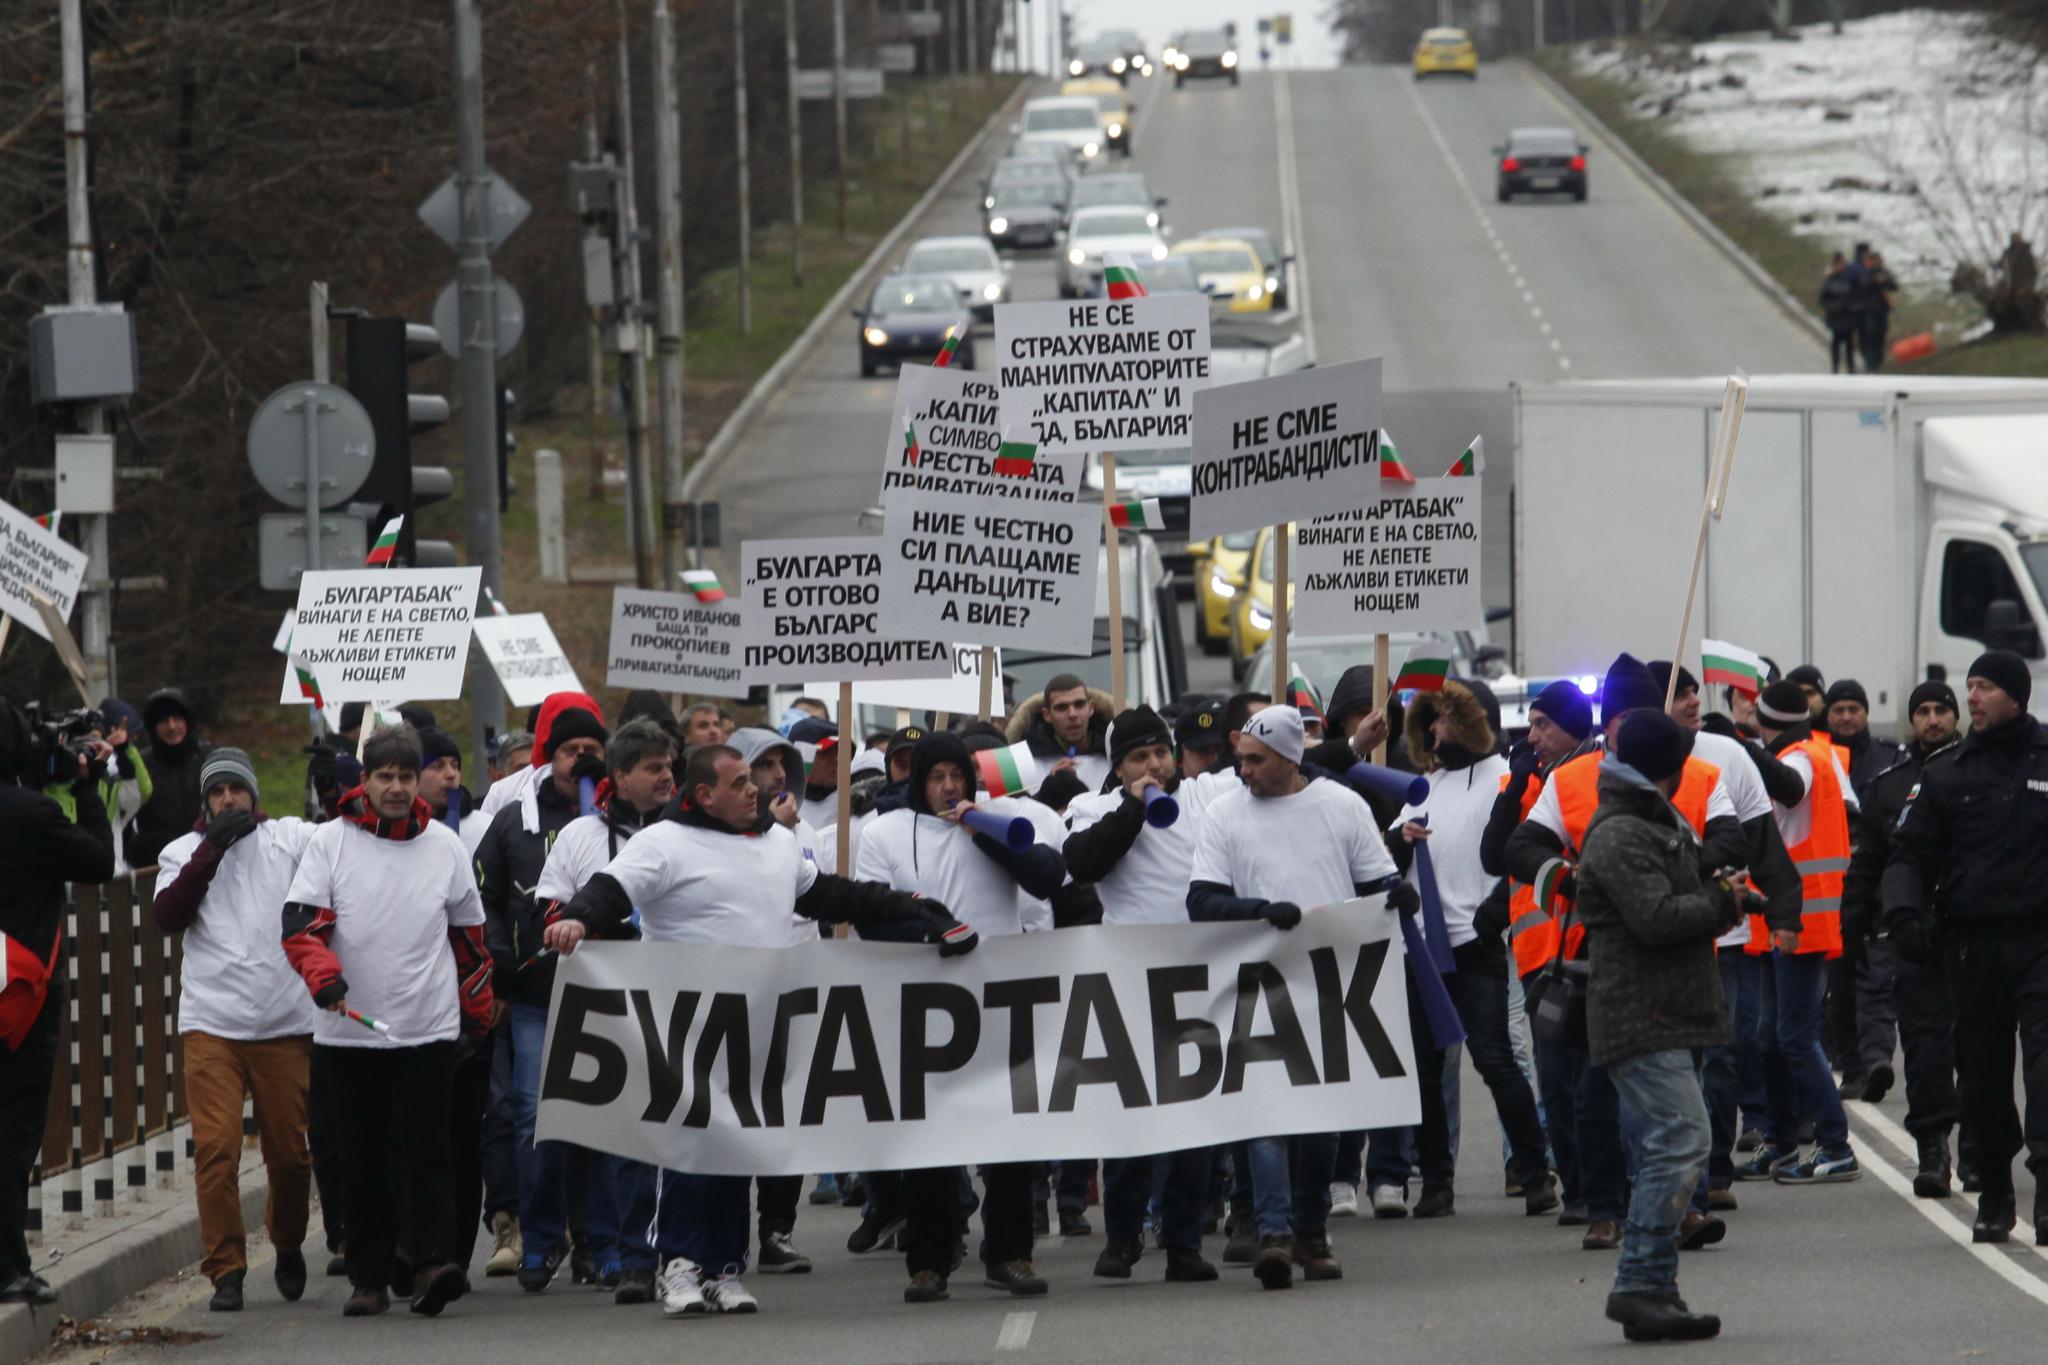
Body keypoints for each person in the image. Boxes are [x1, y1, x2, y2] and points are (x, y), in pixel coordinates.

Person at [548, 742, 978, 1315]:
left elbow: (833, 894)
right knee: (687, 1146)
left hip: (757, 1023)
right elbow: (611, 890)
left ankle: (725, 1269)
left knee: (737, 1147)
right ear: (704, 795)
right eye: (739, 783)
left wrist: (919, 912)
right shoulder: (665, 843)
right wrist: (578, 916)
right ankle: (677, 1265)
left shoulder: (778, 843)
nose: (755, 790)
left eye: (753, 780)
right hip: (683, 1026)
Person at [1504, 655, 1749, 1251]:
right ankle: (1604, 1207)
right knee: (1596, 1094)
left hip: (1679, 958)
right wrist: (1569, 879)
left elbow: (1732, 840)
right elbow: (1521, 846)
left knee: (1679, 1097)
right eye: (1622, 720)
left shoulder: (1697, 772)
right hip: (1601, 959)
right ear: (1607, 726)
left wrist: (1674, 870)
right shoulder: (1571, 779)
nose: (1631, 729)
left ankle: (1683, 1208)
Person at [1187, 706, 1408, 1290]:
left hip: (1330, 985)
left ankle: (1312, 1232)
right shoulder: (1223, 813)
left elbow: (1375, 880)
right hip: (1254, 986)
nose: (1245, 770)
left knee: (1321, 1121)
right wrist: (1258, 910)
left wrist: (1399, 894)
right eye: (1241, 759)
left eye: (1256, 760)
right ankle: (1275, 1234)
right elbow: (1202, 901)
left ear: (1290, 758)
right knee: (1266, 1116)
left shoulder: (1341, 807)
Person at [280, 726, 496, 1318]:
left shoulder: (445, 847)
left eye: (405, 776)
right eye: (385, 777)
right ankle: (369, 1276)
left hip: (427, 1026)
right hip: (349, 1031)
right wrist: (322, 976)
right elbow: (301, 924)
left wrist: (477, 1012)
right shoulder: (330, 843)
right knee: (362, 1153)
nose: (396, 788)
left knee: (430, 1149)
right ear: (365, 782)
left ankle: (431, 1262)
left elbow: (470, 940)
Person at [855, 732, 1064, 1303]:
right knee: (929, 1143)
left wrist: (984, 831)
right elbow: (872, 917)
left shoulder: (999, 820)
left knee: (1009, 1139)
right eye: (936, 777)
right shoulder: (884, 833)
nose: (949, 788)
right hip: (923, 1002)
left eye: (958, 776)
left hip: (998, 999)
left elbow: (1048, 877)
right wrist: (930, 930)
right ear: (917, 782)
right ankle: (929, 1260)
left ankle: (1010, 1253)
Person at [1577, 710, 1746, 1344]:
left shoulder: (1650, 818)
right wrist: (1721, 904)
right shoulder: (1622, 830)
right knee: (1680, 1140)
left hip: (1667, 1008)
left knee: (1673, 1143)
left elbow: (1677, 885)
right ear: (1667, 769)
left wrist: (1717, 887)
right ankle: (1641, 1284)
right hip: (1639, 1011)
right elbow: (1652, 917)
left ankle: (1657, 1289)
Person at [1883, 650, 2048, 1243]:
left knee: (2045, 1061)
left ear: (2015, 695)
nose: (1972, 697)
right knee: (1981, 1071)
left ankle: (2047, 1187)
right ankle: (1997, 1193)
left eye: (1984, 687)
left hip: (2040, 940)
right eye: (1969, 686)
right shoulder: (1949, 772)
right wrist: (1903, 912)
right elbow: (1909, 854)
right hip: (1972, 945)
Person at [151, 748, 317, 1312]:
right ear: (205, 800)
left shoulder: (288, 839)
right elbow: (169, 915)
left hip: (284, 1022)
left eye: (237, 791)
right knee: (216, 1151)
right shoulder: (182, 852)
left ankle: (288, 1241)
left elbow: (336, 849)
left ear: (254, 795)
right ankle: (226, 1268)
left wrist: (336, 782)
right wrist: (212, 848)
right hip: (212, 1024)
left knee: (291, 1157)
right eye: (218, 792)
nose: (228, 801)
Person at [1062, 707, 1220, 1285]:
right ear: (1119, 765)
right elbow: (1082, 864)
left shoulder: (1204, 797)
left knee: (1193, 1121)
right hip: (1128, 980)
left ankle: (1183, 1242)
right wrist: (1133, 805)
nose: (1154, 764)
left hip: (1196, 978)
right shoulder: (1093, 808)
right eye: (1139, 757)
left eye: (1160, 753)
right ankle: (1123, 1237)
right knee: (1132, 1118)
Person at [1389, 683, 1558, 1220]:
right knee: (1426, 1068)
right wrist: (1399, 842)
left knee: (1495, 1060)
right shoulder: (1421, 788)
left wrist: (1494, 919)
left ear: (1472, 721)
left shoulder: (1504, 778)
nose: (1435, 731)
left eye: (1444, 720)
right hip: (1422, 950)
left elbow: (1519, 854)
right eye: (1429, 722)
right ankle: (1436, 1182)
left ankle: (1534, 1172)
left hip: (1478, 942)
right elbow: (1383, 863)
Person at [531, 719, 676, 1303]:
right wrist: (594, 924)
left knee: (677, 1130)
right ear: (619, 777)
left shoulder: (691, 832)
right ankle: (625, 1252)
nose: (667, 776)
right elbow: (548, 907)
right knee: (621, 1131)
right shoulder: (580, 836)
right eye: (653, 768)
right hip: (606, 999)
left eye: (670, 766)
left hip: (680, 996)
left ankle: (689, 1250)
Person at [476, 705, 608, 1291]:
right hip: (534, 996)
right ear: (547, 756)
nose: (581, 758)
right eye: (569, 748)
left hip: (607, 996)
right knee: (534, 1117)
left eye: (591, 747)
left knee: (602, 1118)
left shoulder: (620, 822)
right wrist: (501, 969)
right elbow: (486, 900)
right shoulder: (511, 823)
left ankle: (597, 1241)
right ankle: (542, 1238)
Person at [0, 698, 116, 1304]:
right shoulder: (29, 814)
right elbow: (100, 862)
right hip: (17, 997)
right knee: (13, 1132)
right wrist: (88, 786)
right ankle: (7, 1266)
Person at [1742, 680, 1862, 1186]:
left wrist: (1745, 749)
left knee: (1793, 1035)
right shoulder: (1813, 751)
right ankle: (1782, 1142)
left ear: (1766, 724)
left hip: (1803, 921)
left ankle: (1835, 1144)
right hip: (1782, 918)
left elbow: (1790, 788)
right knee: (1770, 1038)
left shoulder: (1804, 757)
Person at [1847, 681, 1964, 1196]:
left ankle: (1982, 1145)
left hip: (1979, 929)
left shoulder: (1977, 771)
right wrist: (1852, 925)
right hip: (1915, 932)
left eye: (1942, 710)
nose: (1933, 720)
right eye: (1923, 711)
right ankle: (1933, 1148)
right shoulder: (1889, 786)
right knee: (1924, 1046)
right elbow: (1871, 863)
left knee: (1979, 1048)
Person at [130, 687, 214, 868]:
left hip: (206, 861)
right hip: (156, 866)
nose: (172, 726)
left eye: (177, 719)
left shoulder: (209, 757)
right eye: (163, 721)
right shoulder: (140, 764)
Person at [1006, 673, 1112, 793]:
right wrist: (1049, 788)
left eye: (1079, 705)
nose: (1072, 714)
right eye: (1062, 707)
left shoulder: (1115, 755)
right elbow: (1009, 808)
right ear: (1047, 715)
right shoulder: (1019, 762)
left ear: (1090, 708)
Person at [1858, 247, 1898, 372]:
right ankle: (1870, 361)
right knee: (1871, 334)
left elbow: (1894, 286)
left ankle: (1878, 362)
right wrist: (1876, 281)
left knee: (1880, 335)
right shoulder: (1866, 273)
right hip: (1870, 309)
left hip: (1882, 309)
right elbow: (1863, 286)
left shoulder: (1884, 272)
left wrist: (1886, 281)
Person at [1820, 251, 1859, 373]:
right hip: (1836, 317)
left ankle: (1851, 368)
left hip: (1848, 316)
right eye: (1841, 263)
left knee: (1849, 344)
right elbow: (1823, 299)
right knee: (1836, 342)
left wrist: (1853, 307)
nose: (1843, 266)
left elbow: (1857, 294)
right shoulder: (1830, 280)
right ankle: (1835, 366)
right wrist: (1833, 308)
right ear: (1836, 264)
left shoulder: (1850, 279)